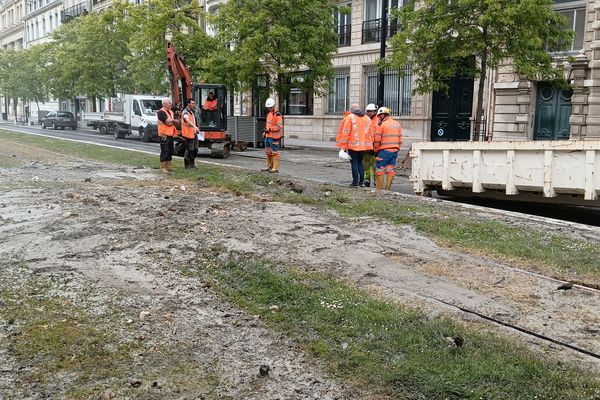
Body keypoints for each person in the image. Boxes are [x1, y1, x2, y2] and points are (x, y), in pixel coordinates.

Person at [336, 103, 373, 187]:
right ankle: (361, 182)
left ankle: (355, 182)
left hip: (353, 146)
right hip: (363, 146)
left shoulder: (350, 117)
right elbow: (371, 134)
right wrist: (369, 146)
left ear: (351, 109)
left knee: (354, 163)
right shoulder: (367, 118)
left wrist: (343, 147)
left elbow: (346, 133)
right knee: (360, 163)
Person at [373, 107, 402, 191]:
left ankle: (379, 190)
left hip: (384, 151)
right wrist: (397, 148)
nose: (378, 118)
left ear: (382, 115)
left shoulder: (382, 125)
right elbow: (400, 138)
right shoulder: (397, 124)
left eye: (379, 116)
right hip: (395, 151)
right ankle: (387, 190)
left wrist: (375, 150)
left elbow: (377, 140)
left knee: (380, 170)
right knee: (390, 169)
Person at [156, 98, 179, 172]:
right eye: (169, 103)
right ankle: (163, 167)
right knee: (164, 151)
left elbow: (170, 123)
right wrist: (174, 121)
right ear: (164, 104)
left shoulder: (171, 112)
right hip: (163, 135)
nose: (171, 104)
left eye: (170, 103)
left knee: (170, 150)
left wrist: (171, 122)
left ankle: (168, 166)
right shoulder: (161, 112)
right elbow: (167, 122)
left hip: (170, 134)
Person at [262, 98, 283, 173]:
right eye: (268, 107)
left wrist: (269, 130)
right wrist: (265, 132)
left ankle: (275, 168)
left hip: (274, 137)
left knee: (275, 152)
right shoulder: (268, 113)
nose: (269, 108)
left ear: (273, 106)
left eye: (270, 107)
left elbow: (279, 126)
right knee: (268, 152)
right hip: (268, 136)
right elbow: (268, 124)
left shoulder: (278, 114)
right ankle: (269, 166)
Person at [181, 98, 200, 170]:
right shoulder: (185, 112)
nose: (194, 105)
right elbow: (187, 120)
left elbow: (195, 121)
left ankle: (192, 163)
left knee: (195, 149)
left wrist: (197, 128)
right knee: (189, 149)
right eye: (192, 103)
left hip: (194, 133)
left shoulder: (192, 112)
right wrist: (195, 127)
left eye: (194, 103)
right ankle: (187, 165)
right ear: (188, 104)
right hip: (188, 134)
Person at [362, 103, 378, 187]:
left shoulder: (377, 120)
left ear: (375, 111)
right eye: (368, 111)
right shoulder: (365, 119)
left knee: (374, 166)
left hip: (374, 147)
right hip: (365, 147)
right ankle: (366, 180)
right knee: (366, 165)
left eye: (371, 111)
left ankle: (376, 181)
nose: (369, 113)